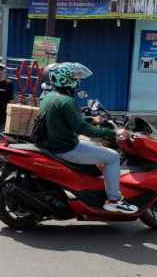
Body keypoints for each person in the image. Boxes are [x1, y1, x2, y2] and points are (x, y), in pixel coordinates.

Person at [40, 62, 137, 215]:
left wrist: (93, 120)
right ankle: (113, 200)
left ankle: (95, 188)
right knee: (113, 157)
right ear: (65, 79)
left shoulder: (50, 97)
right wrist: (111, 134)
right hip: (66, 148)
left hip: (55, 144)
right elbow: (82, 129)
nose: (78, 81)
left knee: (93, 145)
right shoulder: (66, 101)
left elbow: (68, 119)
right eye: (75, 78)